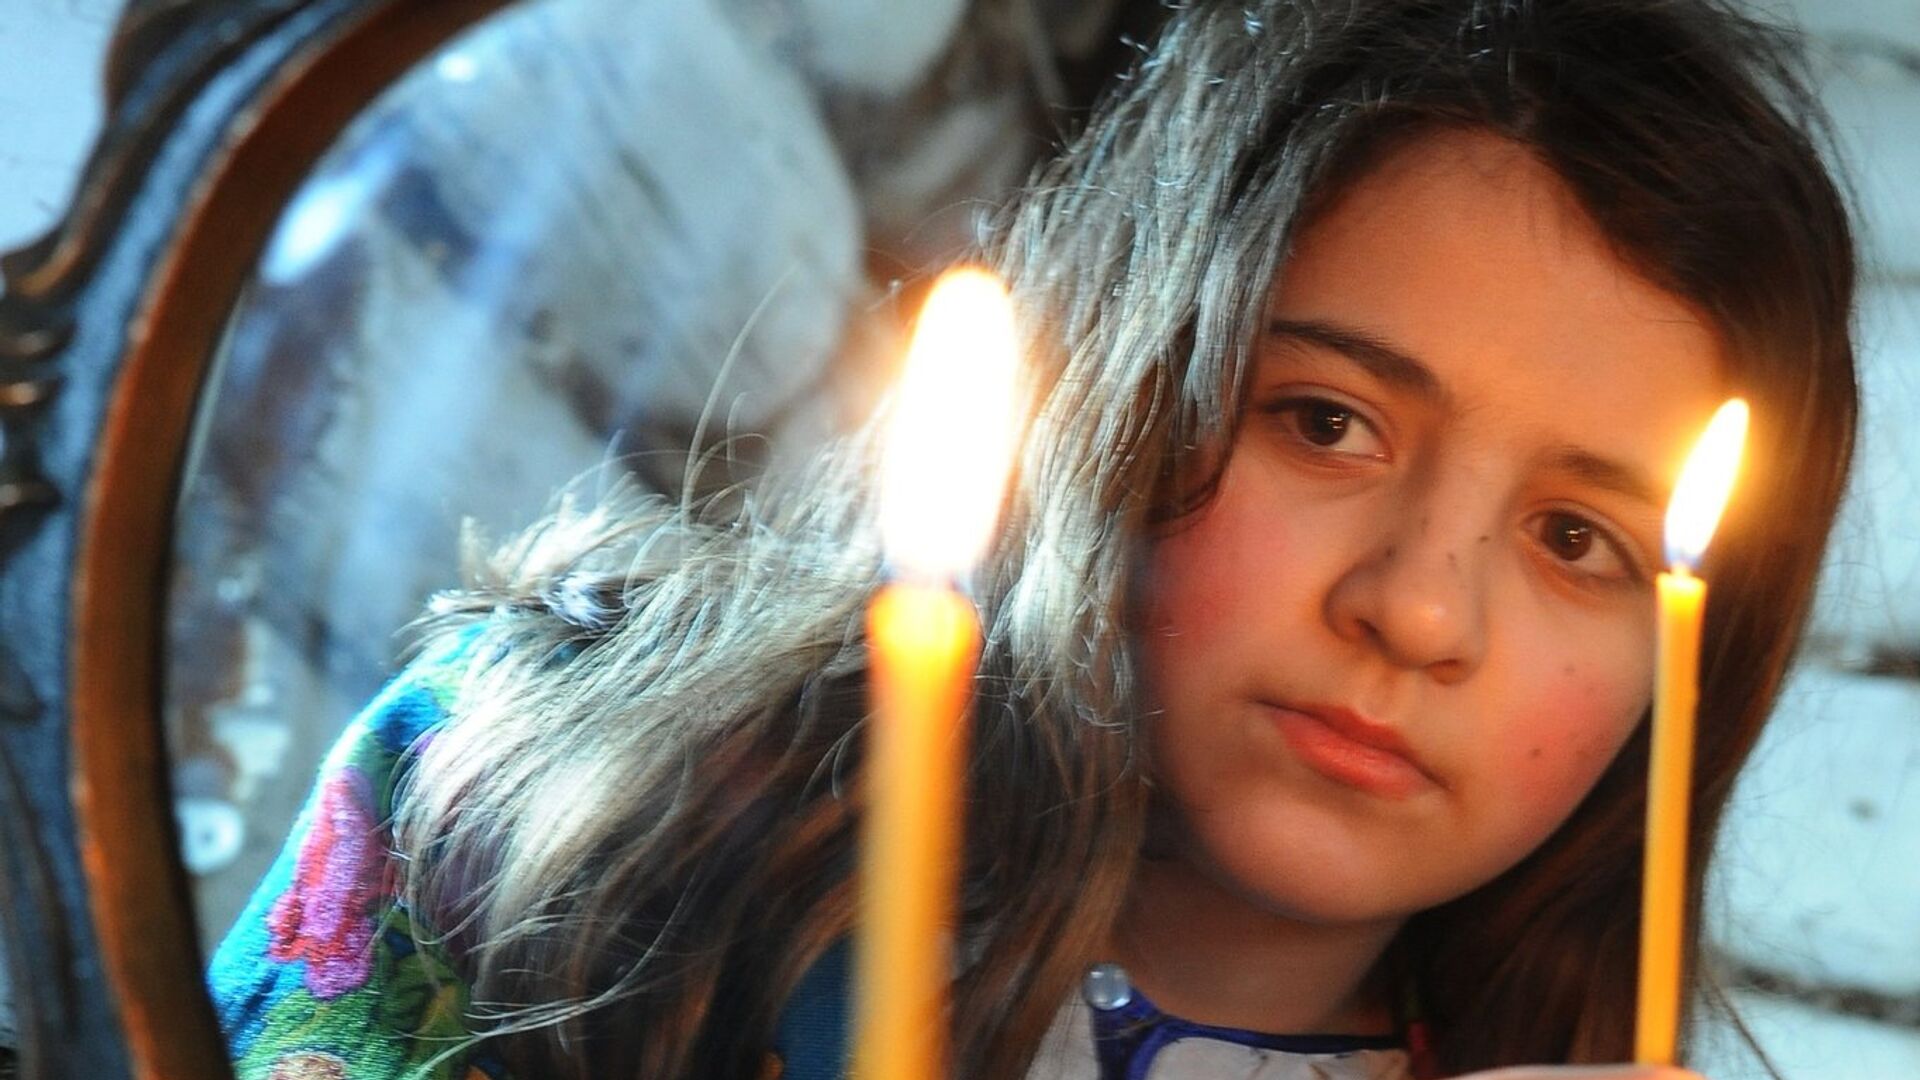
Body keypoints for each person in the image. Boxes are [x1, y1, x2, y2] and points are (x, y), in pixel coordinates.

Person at [207, 0, 1859, 1077]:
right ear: (1111, 390)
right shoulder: (536, 813)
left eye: (1576, 535)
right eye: (1324, 422)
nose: (1420, 610)